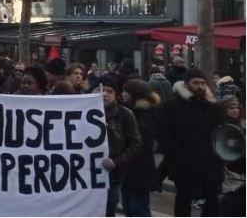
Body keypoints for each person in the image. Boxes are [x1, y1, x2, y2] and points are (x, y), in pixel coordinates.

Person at [160, 69, 225, 216]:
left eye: (203, 83)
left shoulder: (213, 108)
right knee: (184, 201)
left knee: (212, 203)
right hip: (184, 165)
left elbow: (220, 132)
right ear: (187, 84)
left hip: (210, 164)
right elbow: (164, 134)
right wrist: (177, 156)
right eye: (196, 83)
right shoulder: (172, 106)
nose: (200, 87)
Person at [96, 80, 142, 217]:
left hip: (112, 173)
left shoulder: (125, 114)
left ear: (116, 94)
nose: (105, 94)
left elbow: (136, 143)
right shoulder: (83, 112)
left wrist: (116, 161)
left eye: (109, 91)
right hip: (87, 174)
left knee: (110, 206)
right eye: (101, 90)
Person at [120, 79, 160, 217]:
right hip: (133, 167)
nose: (122, 93)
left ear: (133, 94)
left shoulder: (140, 115)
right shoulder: (134, 111)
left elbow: (142, 143)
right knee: (131, 204)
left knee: (137, 207)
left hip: (138, 167)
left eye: (125, 91)